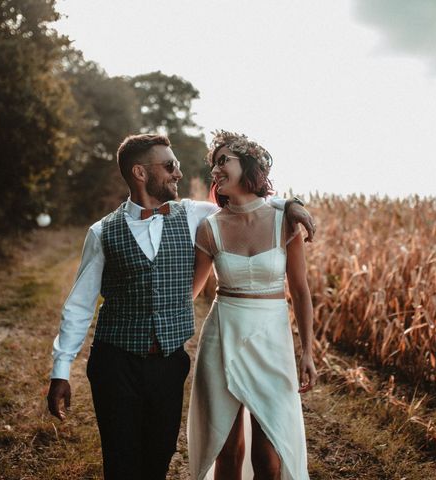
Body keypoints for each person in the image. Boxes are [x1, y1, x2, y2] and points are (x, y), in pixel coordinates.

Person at [46, 133, 315, 480]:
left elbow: (255, 205)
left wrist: (291, 203)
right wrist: (60, 371)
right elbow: (79, 306)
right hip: (117, 359)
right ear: (141, 173)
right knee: (122, 457)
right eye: (170, 165)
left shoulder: (193, 214)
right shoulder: (102, 233)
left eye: (178, 165)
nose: (179, 173)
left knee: (161, 454)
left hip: (171, 363)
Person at [188, 130, 318, 480]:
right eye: (213, 164)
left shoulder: (284, 220)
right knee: (226, 449)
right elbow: (191, 292)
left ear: (248, 165)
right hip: (222, 336)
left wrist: (307, 351)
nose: (215, 170)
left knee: (269, 451)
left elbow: (301, 291)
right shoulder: (209, 228)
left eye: (222, 161)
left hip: (271, 340)